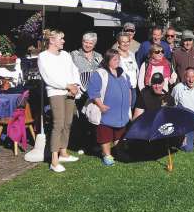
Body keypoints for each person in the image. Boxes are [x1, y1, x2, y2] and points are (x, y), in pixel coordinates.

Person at [38, 29, 82, 172]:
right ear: (51, 40)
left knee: (68, 123)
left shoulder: (65, 54)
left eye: (63, 38)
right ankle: (54, 161)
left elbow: (74, 70)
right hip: (56, 92)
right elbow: (48, 77)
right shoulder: (43, 56)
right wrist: (66, 85)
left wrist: (75, 85)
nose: (63, 41)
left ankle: (63, 152)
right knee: (58, 124)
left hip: (70, 91)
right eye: (60, 38)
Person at [87, 49, 133, 166]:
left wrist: (129, 103)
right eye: (115, 59)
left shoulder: (122, 73)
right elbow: (93, 92)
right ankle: (107, 155)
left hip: (121, 112)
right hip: (106, 111)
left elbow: (128, 88)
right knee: (106, 135)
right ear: (107, 60)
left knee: (119, 133)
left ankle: (119, 152)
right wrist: (101, 106)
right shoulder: (100, 73)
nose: (118, 61)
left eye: (118, 59)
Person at [70, 32, 103, 154]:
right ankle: (82, 145)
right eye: (86, 42)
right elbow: (70, 71)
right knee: (81, 119)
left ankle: (95, 144)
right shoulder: (74, 54)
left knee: (94, 118)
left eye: (91, 43)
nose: (88, 45)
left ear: (94, 44)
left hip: (94, 92)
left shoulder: (99, 56)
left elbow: (102, 72)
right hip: (81, 92)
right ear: (82, 42)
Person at [116, 32, 139, 105]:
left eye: (127, 42)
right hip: (121, 88)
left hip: (133, 87)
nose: (125, 44)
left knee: (131, 110)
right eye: (123, 42)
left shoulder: (131, 54)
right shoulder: (115, 55)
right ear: (118, 43)